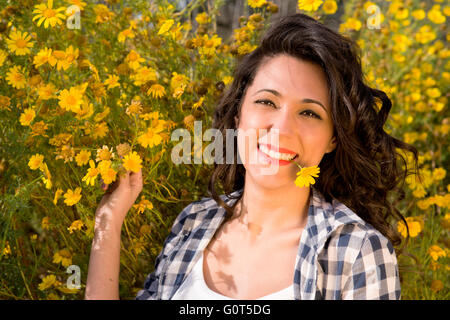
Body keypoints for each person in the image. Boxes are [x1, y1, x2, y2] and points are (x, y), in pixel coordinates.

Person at [85, 13, 419, 300]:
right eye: (267, 102)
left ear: (333, 139)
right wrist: (108, 223)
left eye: (310, 113)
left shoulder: (357, 251)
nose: (282, 128)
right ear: (238, 116)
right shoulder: (194, 222)